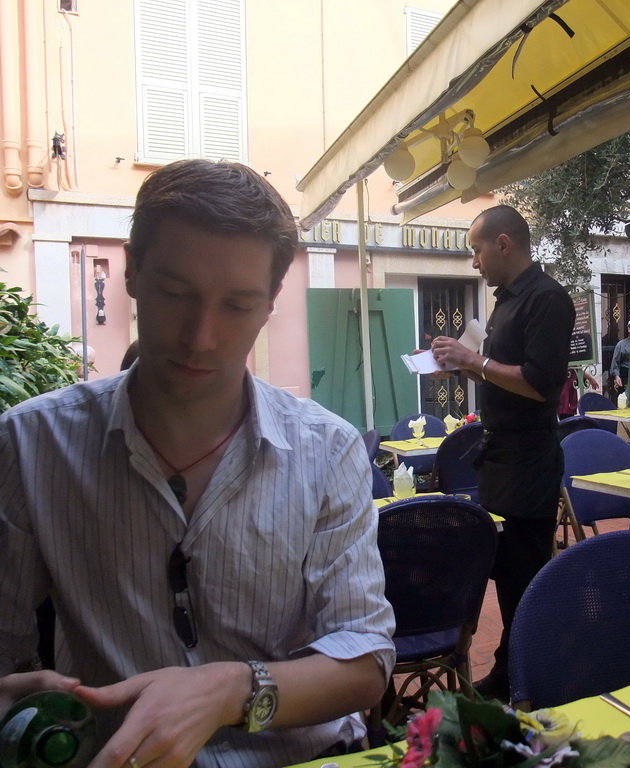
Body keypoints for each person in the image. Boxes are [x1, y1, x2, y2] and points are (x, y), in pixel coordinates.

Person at [0, 160, 396, 768]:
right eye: (176, 293)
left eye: (236, 305)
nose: (201, 336)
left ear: (270, 303)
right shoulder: (30, 446)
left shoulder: (328, 450)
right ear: (131, 270)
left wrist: (232, 690)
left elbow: (366, 659)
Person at [430, 205, 574, 701]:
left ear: (504, 244)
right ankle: (511, 669)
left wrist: (475, 360)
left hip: (529, 463)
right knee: (507, 575)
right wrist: (458, 363)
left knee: (525, 579)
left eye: (476, 249)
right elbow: (497, 372)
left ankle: (528, 675)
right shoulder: (507, 301)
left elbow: (539, 385)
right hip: (498, 460)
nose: (474, 262)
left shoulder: (549, 300)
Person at [610, 320, 630, 391]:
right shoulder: (621, 344)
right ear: (628, 329)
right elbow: (615, 361)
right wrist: (617, 376)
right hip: (625, 374)